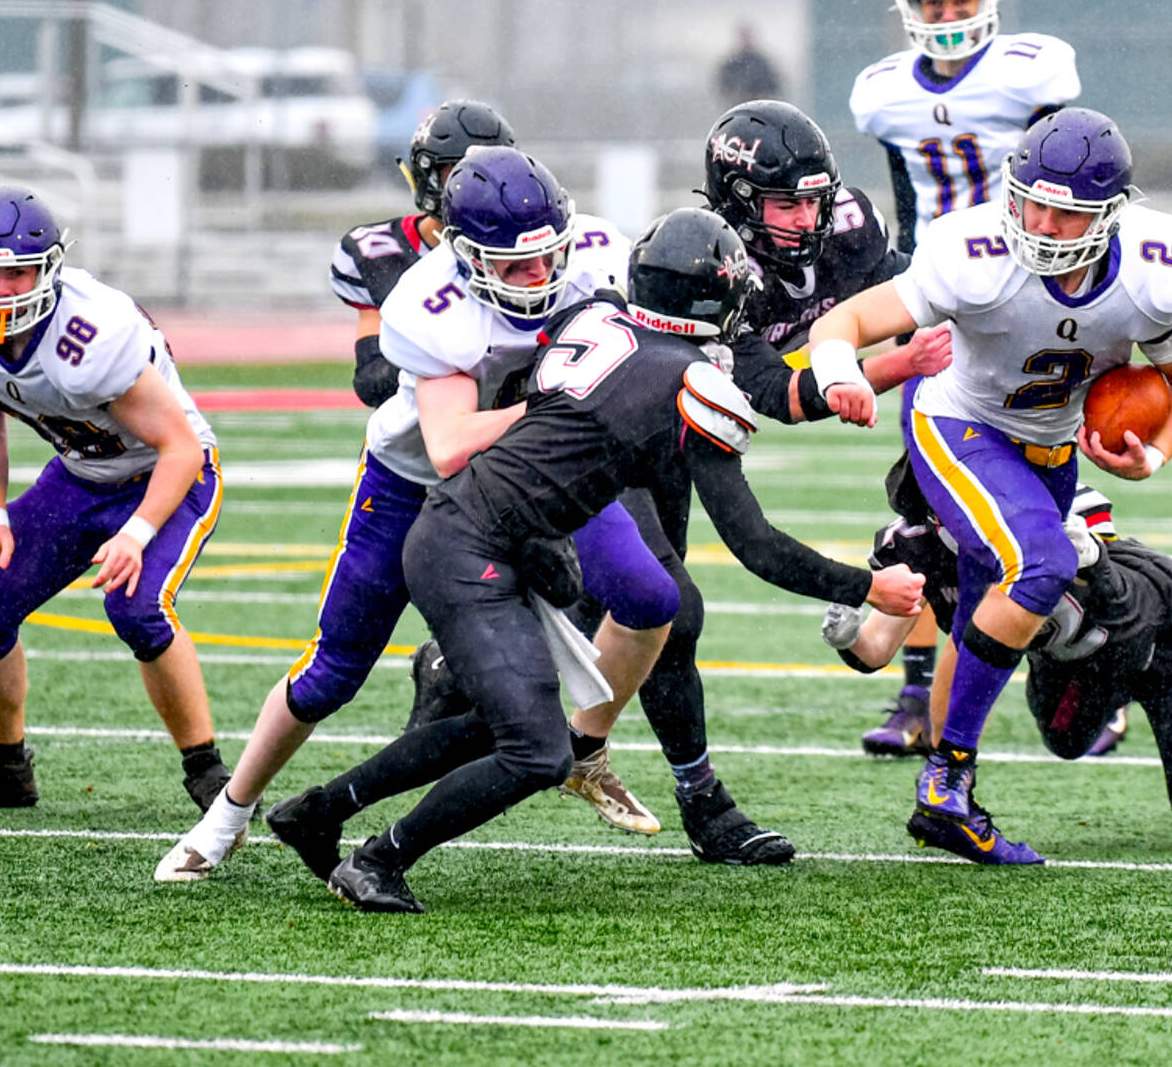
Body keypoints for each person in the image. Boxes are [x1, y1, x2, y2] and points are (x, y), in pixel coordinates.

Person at [270, 209, 925, 912]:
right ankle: (376, 859)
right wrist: (867, 587)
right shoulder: (693, 383)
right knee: (540, 753)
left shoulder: (599, 318)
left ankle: (318, 811)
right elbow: (755, 544)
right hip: (475, 546)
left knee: (511, 726)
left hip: (490, 528)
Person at [155, 145, 637, 880]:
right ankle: (228, 812)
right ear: (465, 253)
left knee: (640, 597)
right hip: (416, 483)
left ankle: (585, 751)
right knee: (333, 670)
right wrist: (566, 401)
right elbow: (449, 445)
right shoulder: (428, 300)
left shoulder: (596, 259)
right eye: (514, 265)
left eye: (548, 259)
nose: (539, 277)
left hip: (532, 484)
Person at [808, 108, 1172, 864]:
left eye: (1068, 212)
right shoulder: (975, 251)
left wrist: (1152, 455)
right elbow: (850, 319)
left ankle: (945, 793)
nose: (1044, 222)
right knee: (1042, 565)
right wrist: (838, 373)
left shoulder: (1158, 269)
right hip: (959, 424)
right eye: (1033, 201)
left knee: (977, 605)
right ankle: (946, 779)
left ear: (1111, 216)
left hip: (1051, 451)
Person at [0, 187, 232, 813]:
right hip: (81, 476)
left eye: (17, 272)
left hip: (167, 475)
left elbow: (180, 450)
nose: (2, 289)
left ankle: (208, 774)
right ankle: (5, 772)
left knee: (136, 607)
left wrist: (137, 534)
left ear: (50, 268)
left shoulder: (92, 334)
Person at [829, 509, 1172, 848]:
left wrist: (1093, 562)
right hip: (1079, 664)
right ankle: (1152, 702)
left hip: (1158, 644)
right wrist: (848, 636)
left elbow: (1129, 580)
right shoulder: (914, 547)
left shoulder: (1040, 498)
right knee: (1065, 740)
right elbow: (882, 648)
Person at [698, 98, 957, 757]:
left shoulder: (846, 221)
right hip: (661, 423)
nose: (806, 220)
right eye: (786, 205)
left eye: (813, 202)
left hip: (758, 394)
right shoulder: (709, 263)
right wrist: (895, 364)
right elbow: (774, 394)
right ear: (737, 198)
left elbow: (901, 292)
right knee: (660, 597)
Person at [850, 0, 1080, 254]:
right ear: (913, 7)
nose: (948, 17)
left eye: (961, 2)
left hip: (1017, 254)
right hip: (933, 259)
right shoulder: (886, 92)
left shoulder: (1026, 71)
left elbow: (1059, 175)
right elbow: (907, 203)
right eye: (935, 5)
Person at [331, 99, 517, 409]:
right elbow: (374, 382)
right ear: (427, 175)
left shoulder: (535, 249)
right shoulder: (379, 252)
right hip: (410, 444)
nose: (473, 187)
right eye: (459, 172)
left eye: (488, 175)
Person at [714, 23, 782, 106]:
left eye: (747, 36)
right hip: (737, 107)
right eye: (744, 37)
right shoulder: (731, 65)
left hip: (759, 107)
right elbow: (723, 87)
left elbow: (773, 86)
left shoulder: (763, 64)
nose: (746, 40)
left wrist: (761, 97)